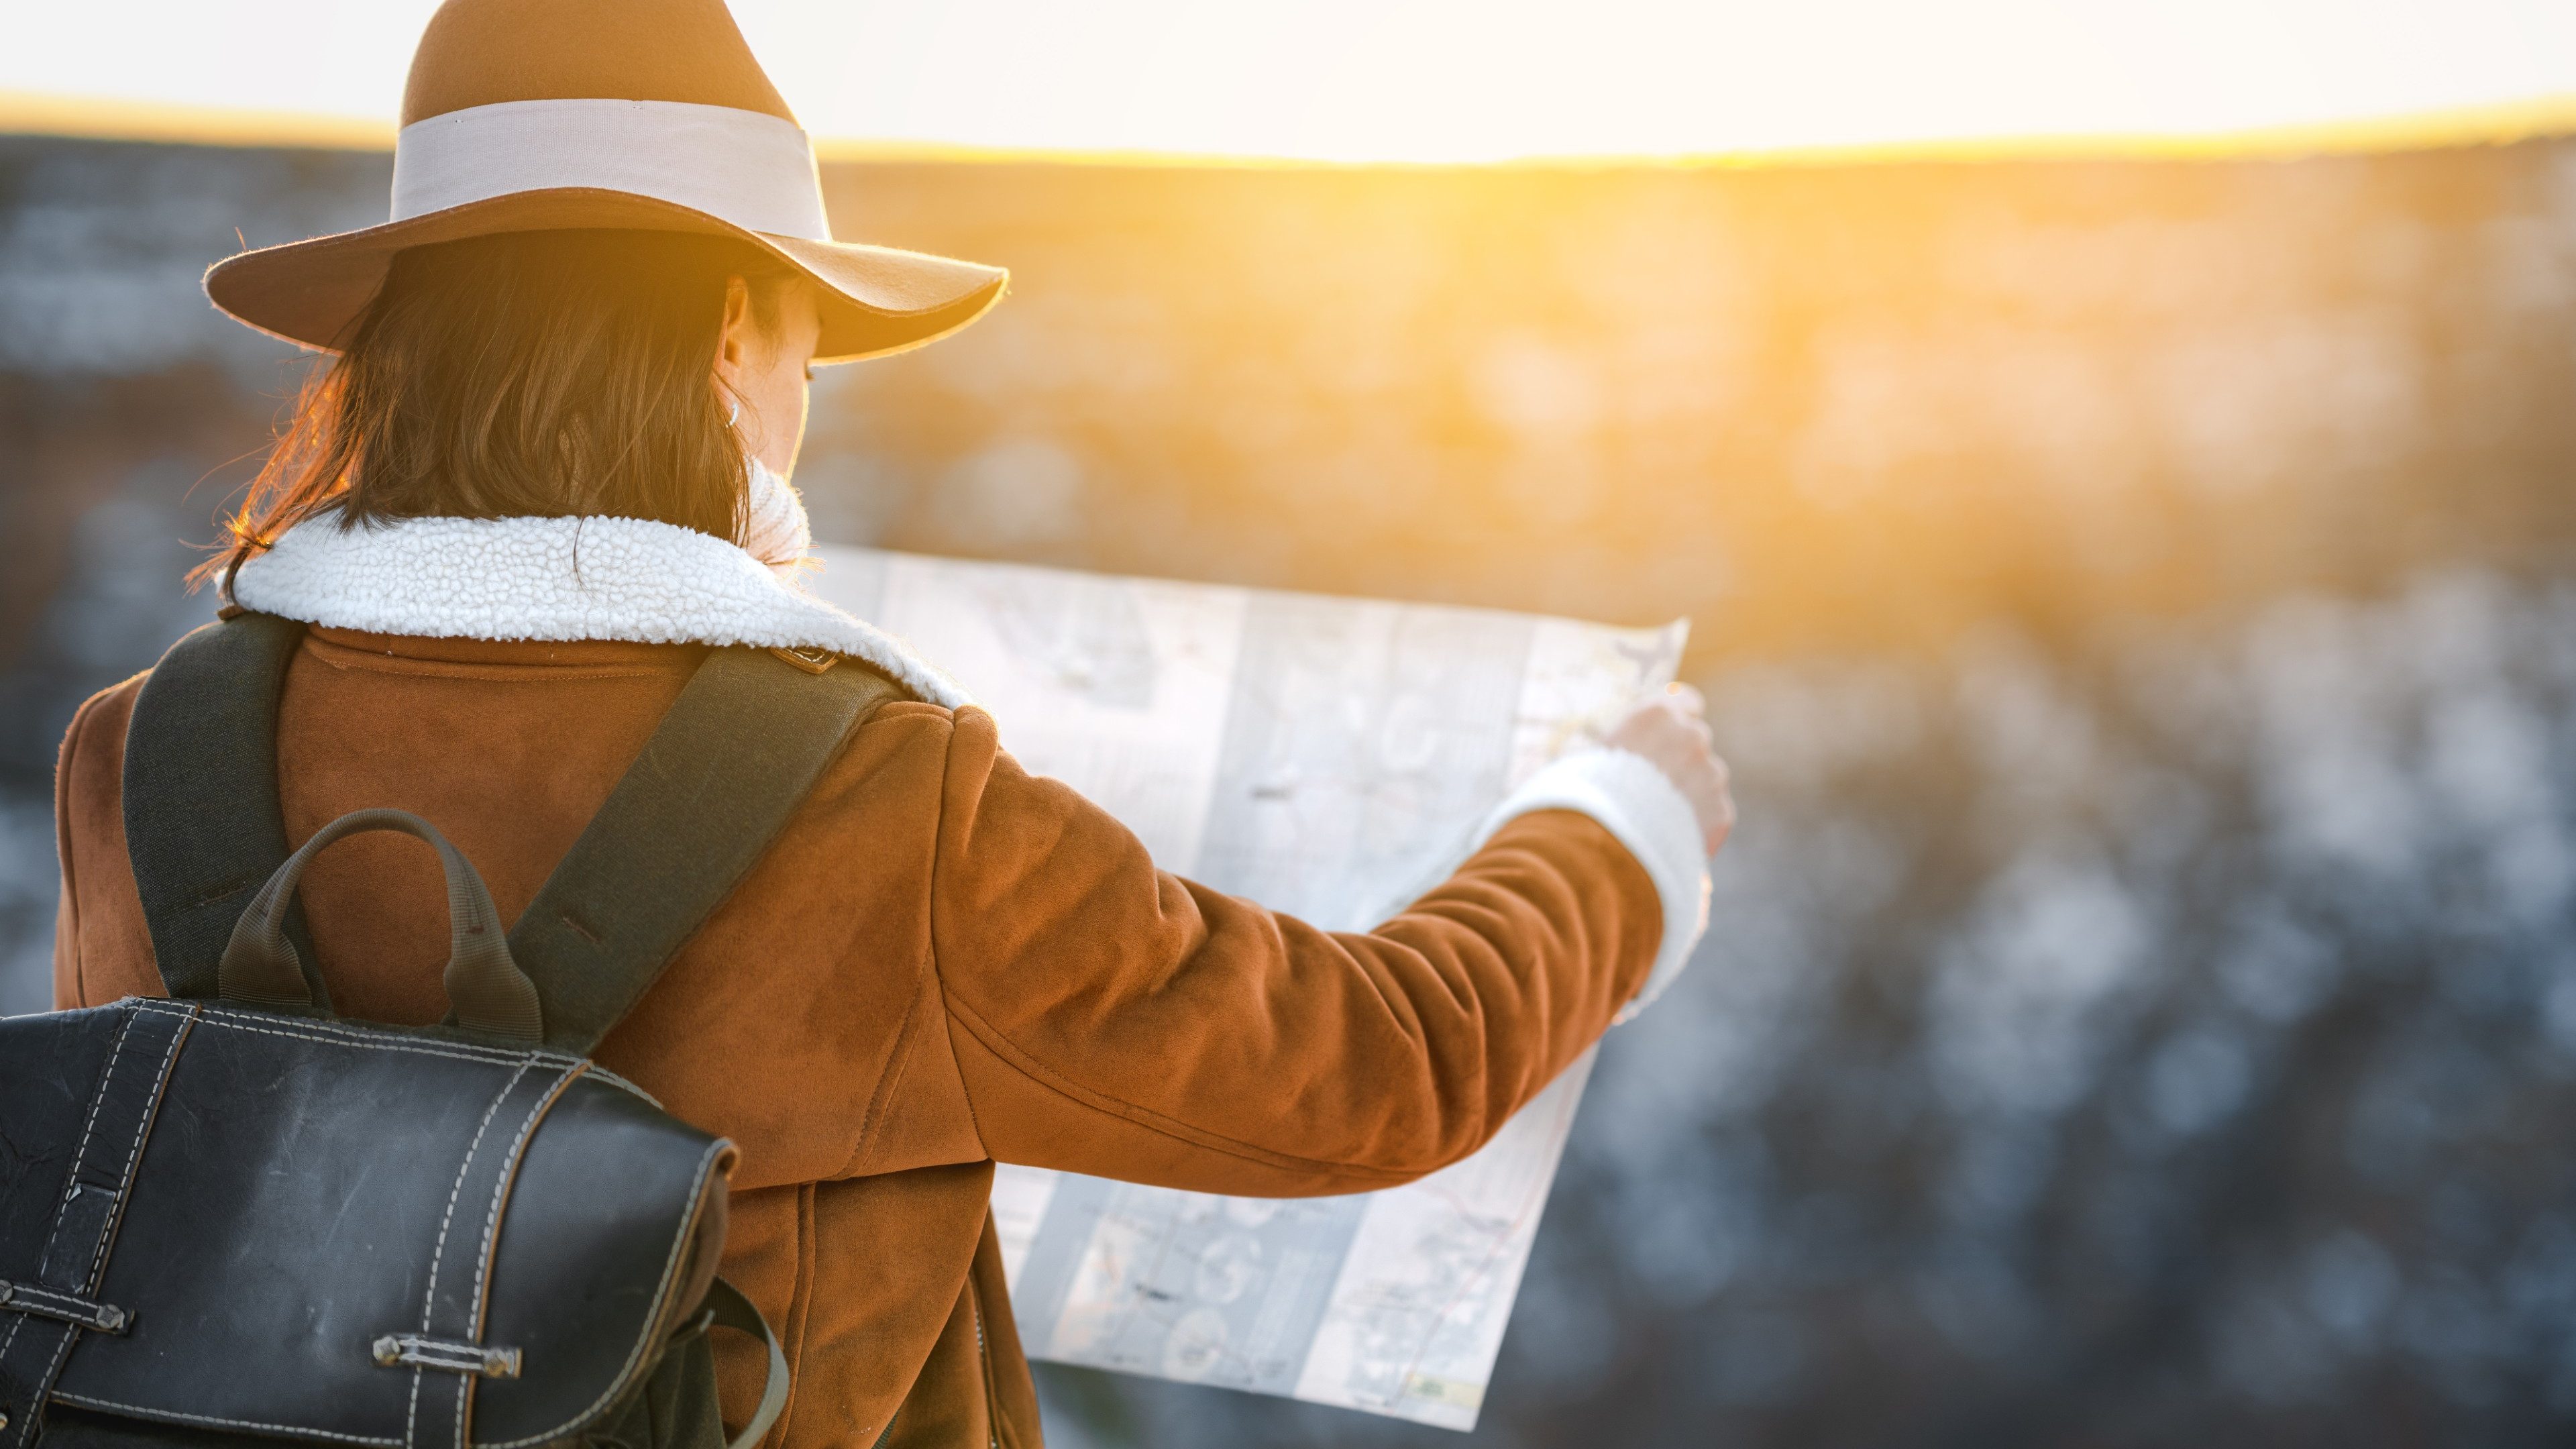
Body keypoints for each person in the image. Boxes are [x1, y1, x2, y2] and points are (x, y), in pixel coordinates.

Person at [46, 1, 1736, 1445]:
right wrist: (1615, 835)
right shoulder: (886, 803)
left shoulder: (137, 758)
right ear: (727, 332)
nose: (804, 403)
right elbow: (1380, 1069)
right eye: (805, 345)